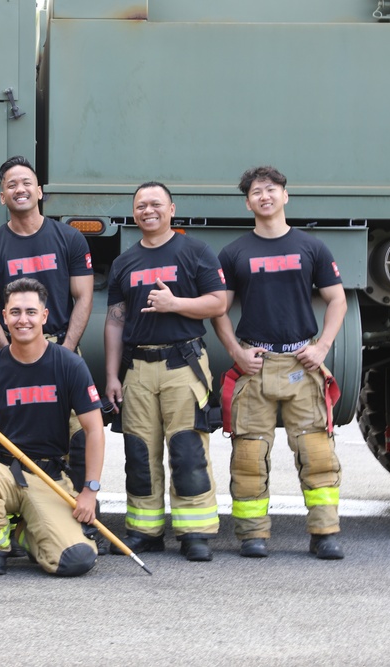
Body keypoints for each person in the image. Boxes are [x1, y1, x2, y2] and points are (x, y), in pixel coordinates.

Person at [212, 165, 347, 560]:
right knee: (249, 455)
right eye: (256, 192)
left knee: (318, 453)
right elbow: (219, 309)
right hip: (256, 364)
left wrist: (322, 346)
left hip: (302, 364)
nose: (264, 197)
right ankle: (252, 535)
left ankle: (325, 533)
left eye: (271, 190)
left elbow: (337, 299)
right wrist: (237, 352)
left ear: (285, 196)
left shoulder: (312, 247)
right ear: (248, 202)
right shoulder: (234, 252)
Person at [0, 277, 104, 576]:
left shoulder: (69, 365)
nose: (22, 319)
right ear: (4, 317)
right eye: (15, 312)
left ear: (44, 316)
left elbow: (94, 430)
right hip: (0, 470)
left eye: (30, 312)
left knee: (76, 561)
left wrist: (90, 491)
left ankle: (26, 534)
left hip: (46, 475)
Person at [0, 156, 97, 546]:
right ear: (2, 196)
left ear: (40, 190)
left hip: (62, 350)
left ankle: (83, 516)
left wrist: (64, 351)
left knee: (80, 439)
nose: (20, 189)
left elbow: (83, 297)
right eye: (11, 184)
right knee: (17, 440)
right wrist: (14, 352)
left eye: (27, 183)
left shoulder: (69, 239)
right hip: (17, 357)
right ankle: (19, 518)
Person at [104, 182, 227, 562]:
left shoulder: (194, 251)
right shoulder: (125, 262)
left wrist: (176, 303)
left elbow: (219, 302)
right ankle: (145, 531)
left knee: (187, 450)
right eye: (140, 205)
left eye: (155, 204)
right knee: (139, 454)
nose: (147, 211)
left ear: (172, 209)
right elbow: (114, 322)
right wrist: (111, 375)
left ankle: (195, 533)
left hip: (182, 365)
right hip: (137, 369)